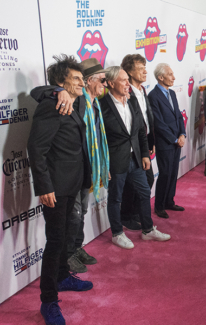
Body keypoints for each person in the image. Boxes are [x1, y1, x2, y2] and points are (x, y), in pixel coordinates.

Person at [27, 54, 93, 325]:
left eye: (81, 78)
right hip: (54, 188)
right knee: (55, 242)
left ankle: (64, 276)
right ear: (60, 82)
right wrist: (44, 186)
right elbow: (36, 148)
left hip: (73, 183)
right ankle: (48, 301)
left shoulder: (73, 103)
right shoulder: (53, 103)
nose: (82, 83)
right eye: (76, 79)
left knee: (65, 237)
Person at [100, 66, 170, 249]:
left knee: (145, 192)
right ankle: (117, 233)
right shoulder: (101, 106)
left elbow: (140, 131)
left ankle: (147, 230)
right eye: (123, 80)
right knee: (115, 198)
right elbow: (99, 140)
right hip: (115, 162)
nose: (127, 83)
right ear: (111, 83)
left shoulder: (132, 101)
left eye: (127, 80)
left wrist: (145, 154)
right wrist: (103, 164)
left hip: (136, 159)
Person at [65, 58, 110, 272]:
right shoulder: (75, 101)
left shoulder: (96, 104)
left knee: (82, 210)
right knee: (73, 214)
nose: (106, 83)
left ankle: (76, 247)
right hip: (74, 170)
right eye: (102, 79)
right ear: (89, 80)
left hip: (89, 169)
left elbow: (98, 141)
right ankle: (68, 255)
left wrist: (102, 166)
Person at [119, 54, 156, 231]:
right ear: (129, 71)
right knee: (140, 181)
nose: (145, 71)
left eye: (145, 67)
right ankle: (127, 215)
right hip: (132, 147)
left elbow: (147, 119)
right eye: (141, 68)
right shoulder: (126, 93)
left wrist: (151, 141)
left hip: (145, 142)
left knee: (146, 181)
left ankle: (133, 213)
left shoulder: (142, 90)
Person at [148, 63, 186, 219]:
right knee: (165, 174)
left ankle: (169, 201)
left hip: (177, 141)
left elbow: (178, 115)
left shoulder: (172, 93)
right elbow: (158, 123)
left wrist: (182, 134)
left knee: (173, 173)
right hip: (165, 143)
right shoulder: (153, 96)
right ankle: (159, 205)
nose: (174, 77)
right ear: (160, 77)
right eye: (170, 74)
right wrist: (174, 139)